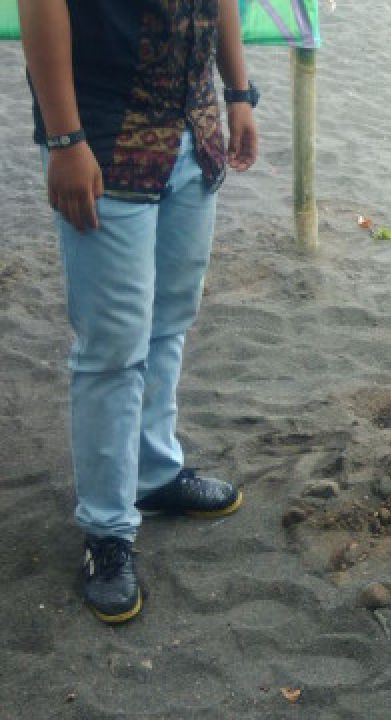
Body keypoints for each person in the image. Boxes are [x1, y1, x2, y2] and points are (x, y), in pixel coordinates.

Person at [20, 0, 259, 624]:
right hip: (104, 134)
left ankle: (154, 470)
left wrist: (239, 91)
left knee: (169, 320)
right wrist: (65, 138)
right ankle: (106, 530)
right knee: (111, 347)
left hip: (194, 133)